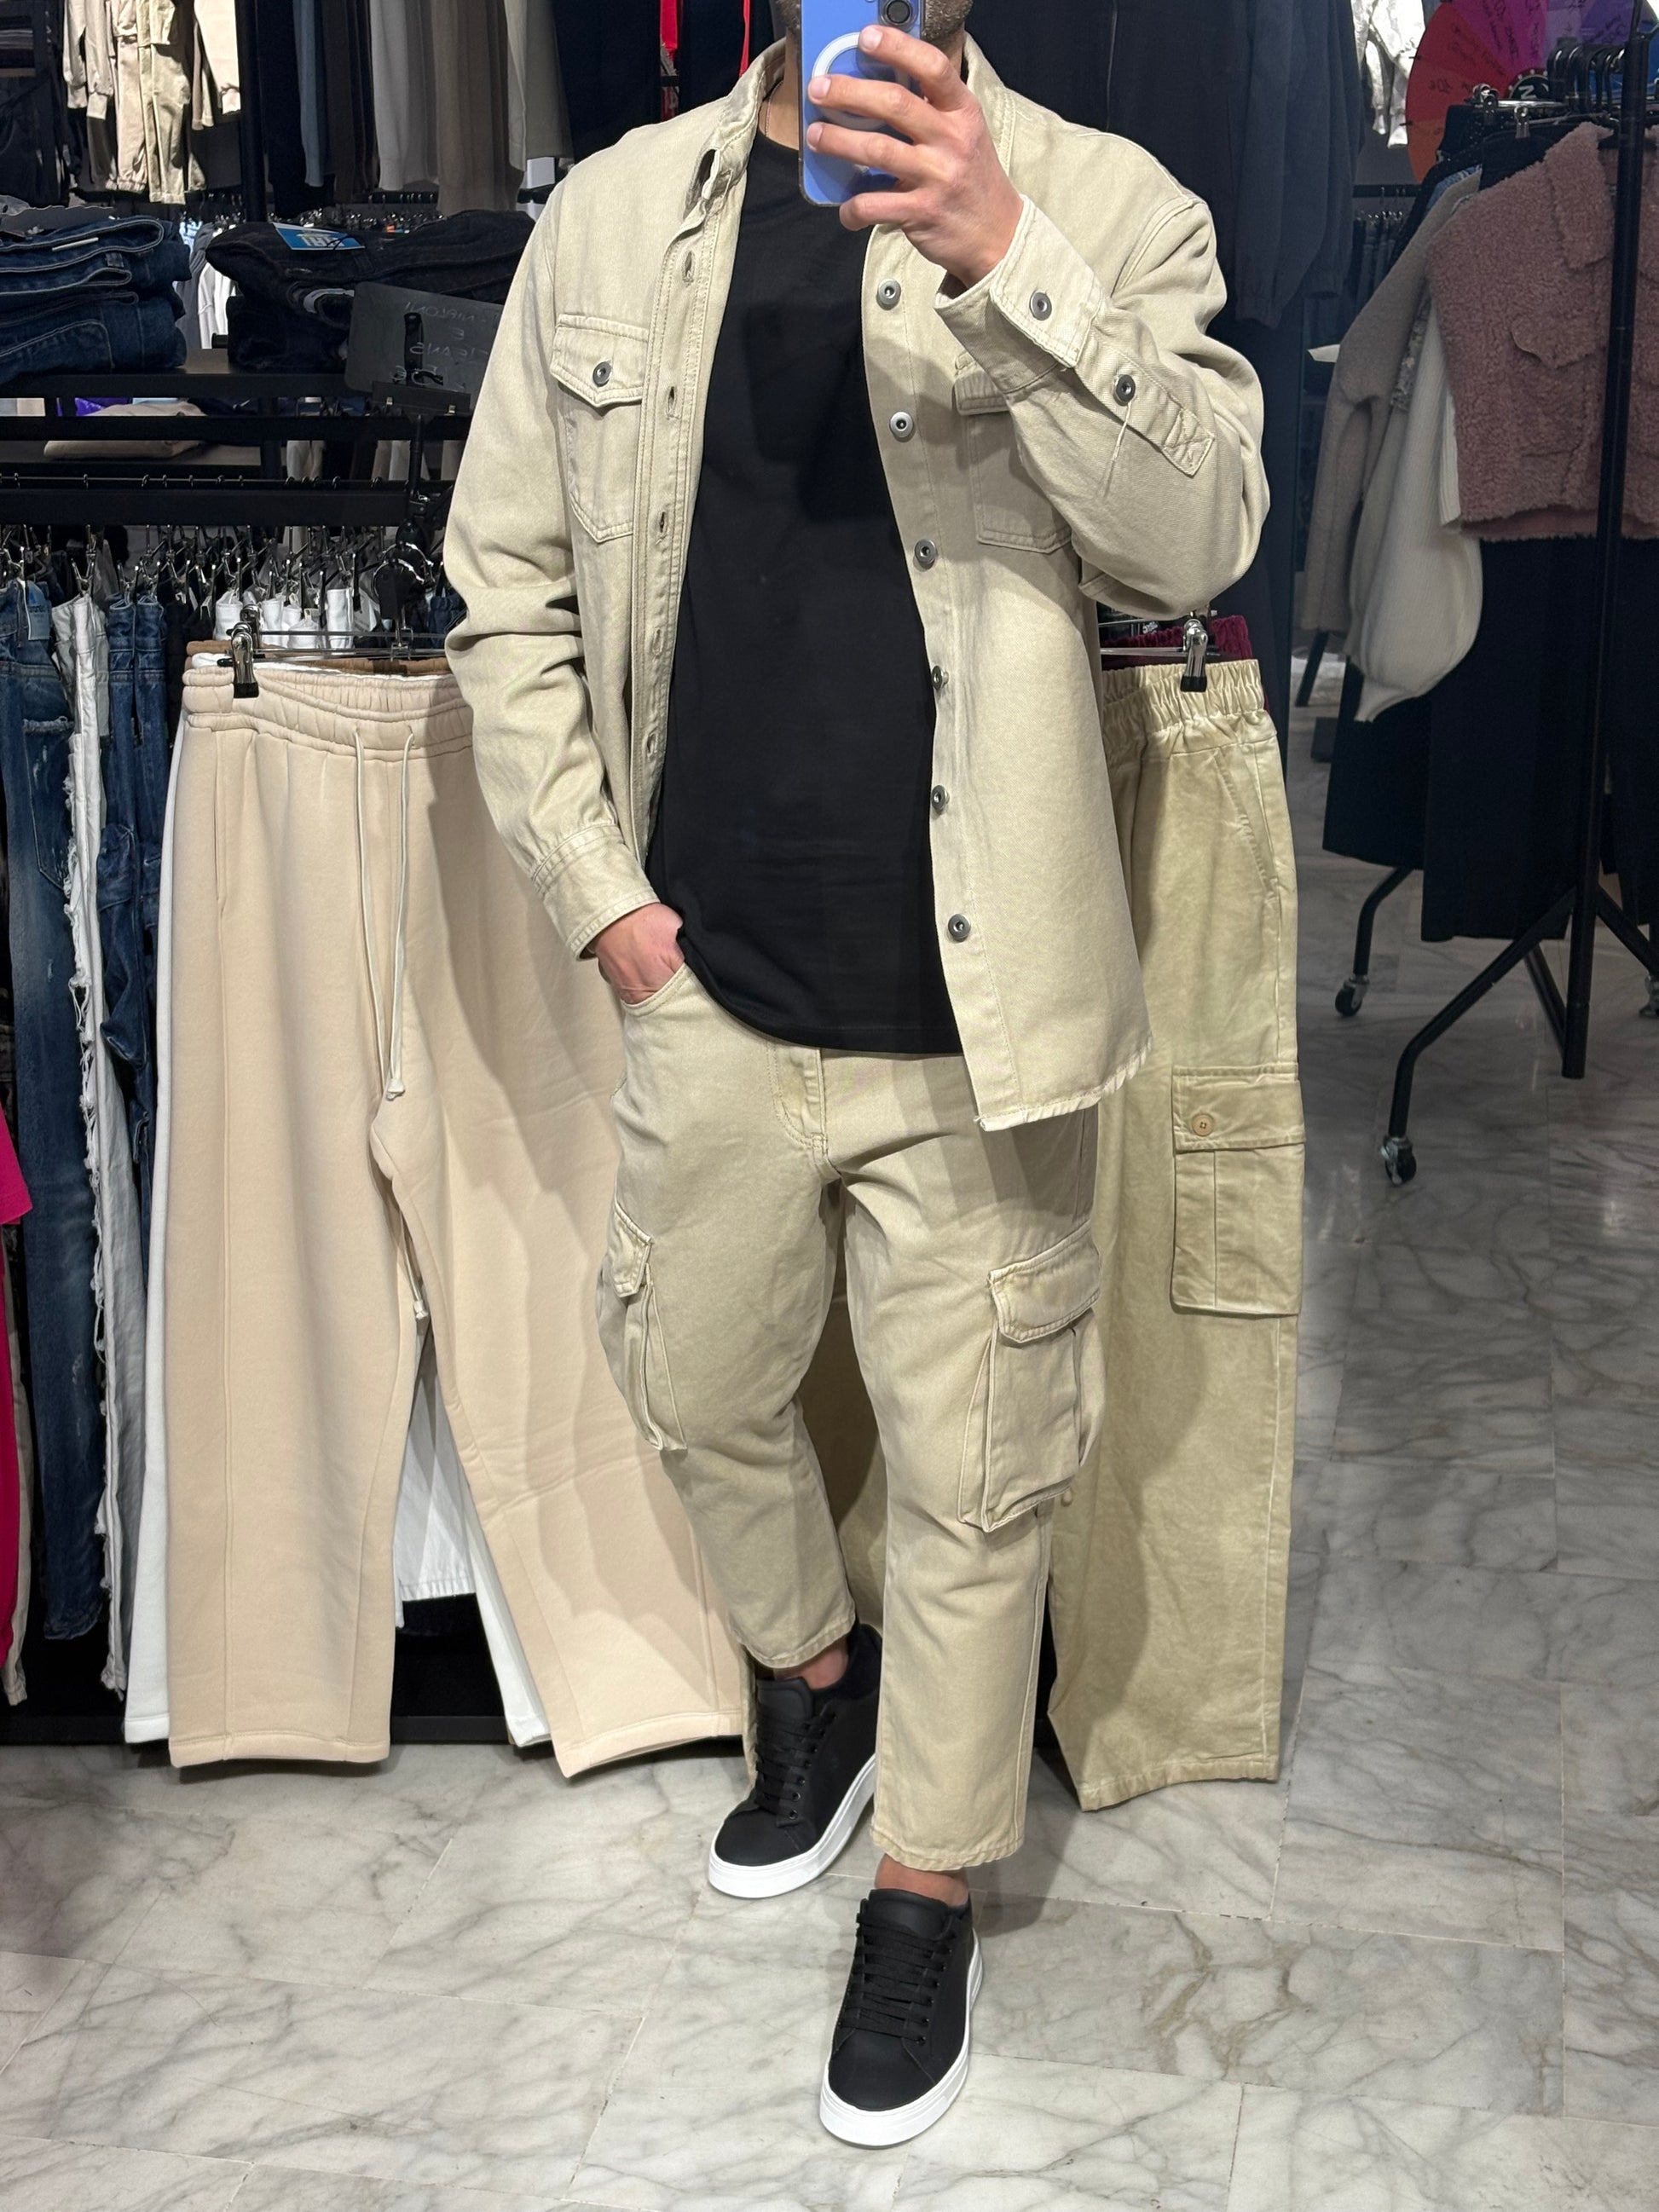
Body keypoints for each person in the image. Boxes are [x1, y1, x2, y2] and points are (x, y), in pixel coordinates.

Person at [445, 0, 1265, 2148]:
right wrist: (604, 900)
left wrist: (1008, 256)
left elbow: (1201, 538)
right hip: (705, 976)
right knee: (687, 1372)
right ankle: (815, 1680)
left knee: (980, 1479)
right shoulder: (611, 220)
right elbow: (502, 589)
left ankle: (924, 1885)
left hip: (985, 1011)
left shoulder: (1107, 204)